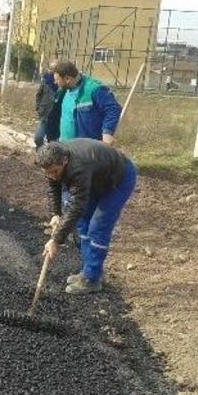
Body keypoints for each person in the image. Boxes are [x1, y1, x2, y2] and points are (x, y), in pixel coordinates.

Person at [38, 139, 137, 294]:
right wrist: (55, 214)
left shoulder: (78, 168)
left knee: (98, 227)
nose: (52, 176)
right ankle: (88, 271)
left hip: (118, 179)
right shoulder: (52, 162)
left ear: (64, 161)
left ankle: (92, 279)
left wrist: (56, 240)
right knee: (82, 223)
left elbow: (75, 207)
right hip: (97, 177)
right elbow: (54, 187)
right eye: (48, 173)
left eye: (55, 172)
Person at [45, 61, 122, 145]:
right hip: (65, 147)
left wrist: (107, 132)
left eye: (57, 80)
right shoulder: (63, 90)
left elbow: (113, 108)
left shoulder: (94, 89)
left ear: (67, 79)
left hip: (86, 151)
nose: (55, 82)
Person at [34, 60, 59, 148]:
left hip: (56, 117)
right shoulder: (46, 80)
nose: (52, 71)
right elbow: (38, 94)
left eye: (55, 69)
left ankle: (48, 157)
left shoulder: (62, 84)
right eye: (51, 68)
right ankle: (40, 152)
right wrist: (38, 107)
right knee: (38, 138)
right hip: (45, 114)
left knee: (52, 141)